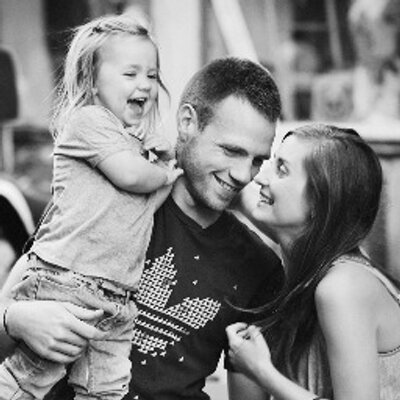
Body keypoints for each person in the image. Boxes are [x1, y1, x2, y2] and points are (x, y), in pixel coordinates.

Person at [1, 56, 284, 400]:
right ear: (187, 122)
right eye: (231, 151)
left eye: (257, 160)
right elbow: (6, 313)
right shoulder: (101, 200)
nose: (243, 174)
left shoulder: (259, 265)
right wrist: (16, 321)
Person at [0, 12, 183, 400]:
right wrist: (164, 171)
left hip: (116, 296)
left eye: (152, 75)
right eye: (130, 73)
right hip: (69, 282)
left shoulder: (133, 148)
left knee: (107, 388)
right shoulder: (88, 121)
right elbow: (133, 177)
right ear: (92, 82)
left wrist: (164, 164)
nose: (145, 84)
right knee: (30, 377)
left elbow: (145, 206)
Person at [226, 124, 400, 400]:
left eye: (282, 170)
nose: (260, 177)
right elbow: (239, 193)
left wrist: (261, 371)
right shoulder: (309, 256)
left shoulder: (342, 288)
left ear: (319, 203)